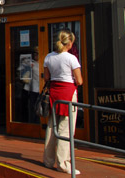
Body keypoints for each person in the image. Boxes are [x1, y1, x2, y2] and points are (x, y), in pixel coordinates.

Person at [43, 30, 83, 175]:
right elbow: (79, 80)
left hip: (54, 91)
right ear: (70, 43)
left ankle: (48, 160)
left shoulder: (48, 57)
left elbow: (46, 77)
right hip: (68, 92)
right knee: (66, 128)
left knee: (52, 127)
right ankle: (63, 163)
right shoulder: (71, 58)